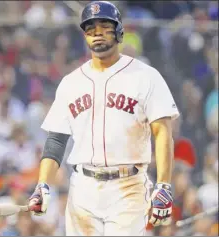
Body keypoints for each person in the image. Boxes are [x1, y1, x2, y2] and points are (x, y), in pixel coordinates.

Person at [27, 1, 180, 236]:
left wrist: (163, 185)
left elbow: (162, 133)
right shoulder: (71, 82)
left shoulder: (146, 76)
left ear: (119, 31)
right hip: (83, 187)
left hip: (128, 186)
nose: (97, 32)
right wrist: (43, 184)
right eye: (90, 28)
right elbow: (56, 140)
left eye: (104, 26)